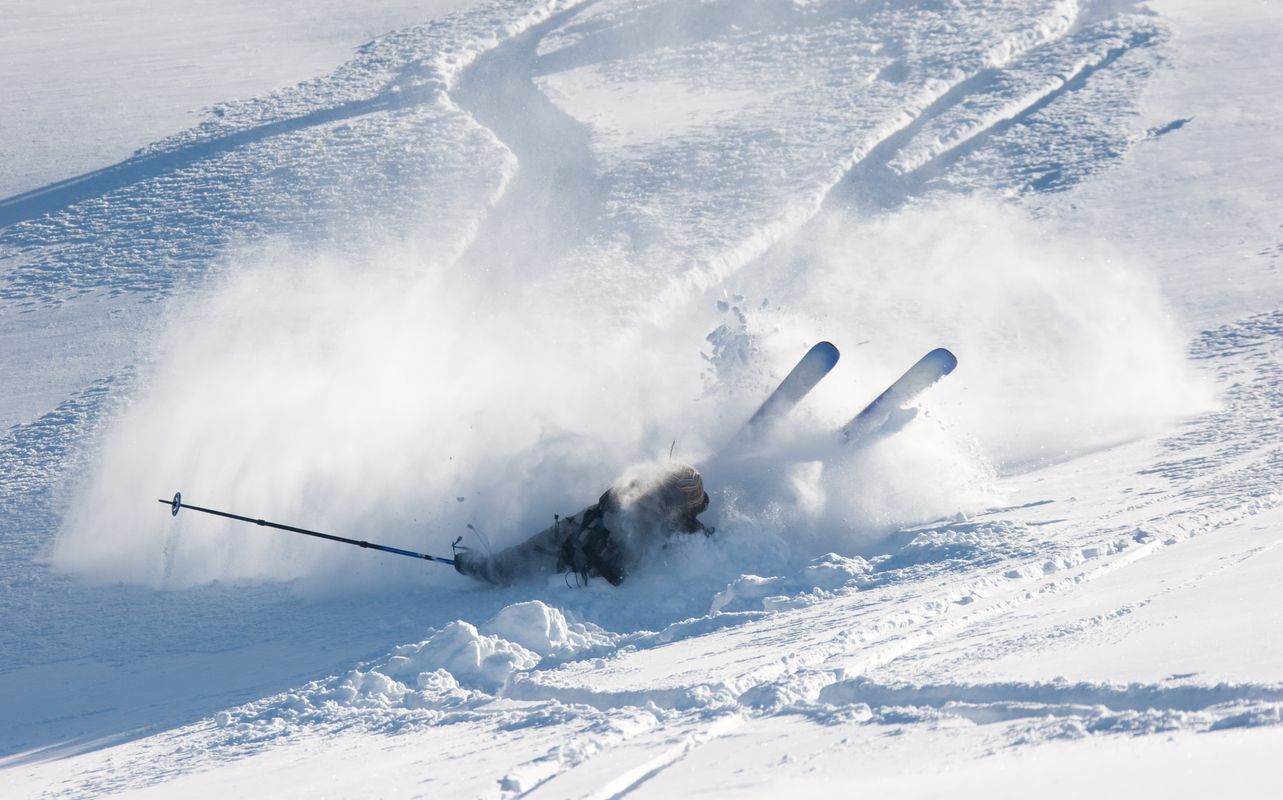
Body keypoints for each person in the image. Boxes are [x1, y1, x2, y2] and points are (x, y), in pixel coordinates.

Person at [452, 462, 712, 586]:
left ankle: (494, 568)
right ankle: (492, 568)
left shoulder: (675, 526)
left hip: (583, 554)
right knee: (543, 545)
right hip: (584, 534)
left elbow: (617, 570)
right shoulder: (641, 507)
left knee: (544, 548)